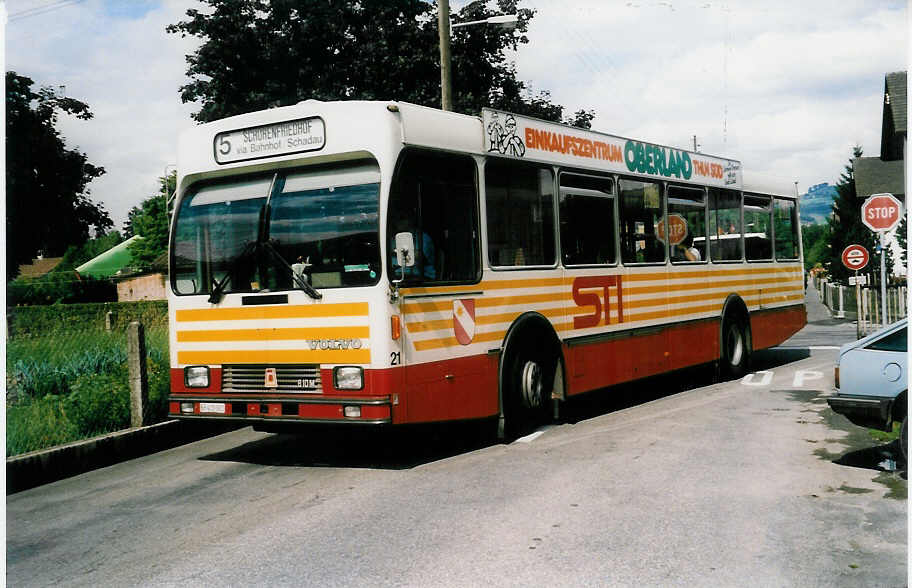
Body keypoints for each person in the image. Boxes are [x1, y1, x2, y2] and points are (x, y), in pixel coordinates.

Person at [390, 215, 435, 280]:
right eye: (395, 218)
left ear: (411, 220)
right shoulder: (393, 238)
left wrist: (397, 252)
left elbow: (420, 257)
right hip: (397, 276)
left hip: (419, 277)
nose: (398, 221)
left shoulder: (422, 237)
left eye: (402, 218)